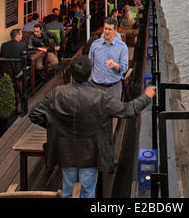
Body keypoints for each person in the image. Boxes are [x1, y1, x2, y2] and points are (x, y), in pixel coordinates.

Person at [29, 56, 156, 198]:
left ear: (71, 73)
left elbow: (35, 115)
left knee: (67, 191)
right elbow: (128, 110)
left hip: (66, 151)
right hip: (90, 153)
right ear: (90, 74)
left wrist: (55, 126)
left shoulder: (57, 93)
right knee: (87, 192)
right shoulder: (100, 96)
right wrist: (146, 96)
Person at [89, 17, 128, 100]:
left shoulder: (122, 47)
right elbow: (90, 64)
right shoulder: (95, 45)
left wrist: (116, 65)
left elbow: (124, 67)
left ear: (115, 31)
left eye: (110, 29)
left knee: (114, 112)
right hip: (96, 87)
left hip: (114, 87)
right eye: (105, 28)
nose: (107, 32)